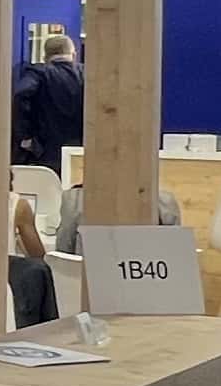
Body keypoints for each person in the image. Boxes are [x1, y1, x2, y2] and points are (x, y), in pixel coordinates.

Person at [13, 34, 85, 180]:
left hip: (45, 149)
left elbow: (20, 95)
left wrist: (25, 136)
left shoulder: (39, 72)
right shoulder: (85, 73)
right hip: (78, 151)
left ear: (46, 56)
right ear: (73, 54)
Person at [53, 181, 184, 256]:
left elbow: (63, 253)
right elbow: (175, 258)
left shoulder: (74, 199)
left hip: (86, 283)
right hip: (148, 284)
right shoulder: (164, 202)